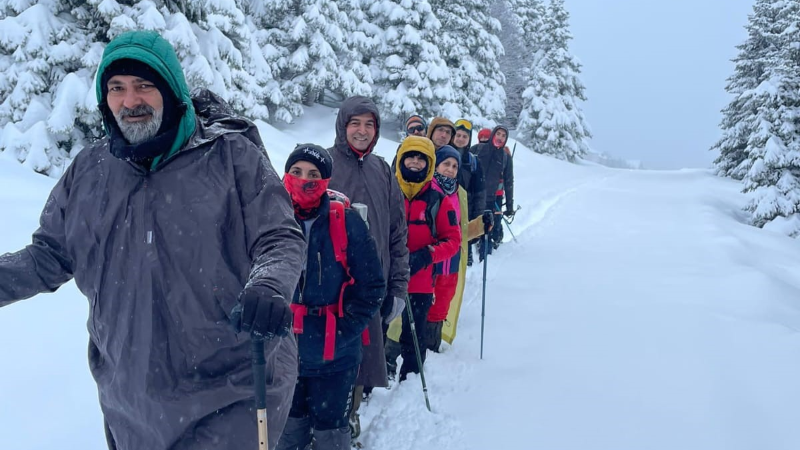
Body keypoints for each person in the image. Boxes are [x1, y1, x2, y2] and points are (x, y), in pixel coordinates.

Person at [0, 30, 305, 450]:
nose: (131, 101)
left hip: (232, 392)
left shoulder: (232, 158)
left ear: (171, 90)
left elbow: (279, 235)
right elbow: (50, 255)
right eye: (117, 88)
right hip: (130, 404)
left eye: (145, 86)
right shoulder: (89, 171)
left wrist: (270, 284)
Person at [276, 144, 386, 450]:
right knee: (288, 427)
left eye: (313, 174)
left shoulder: (347, 221)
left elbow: (372, 285)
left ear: (325, 181)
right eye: (296, 172)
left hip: (335, 355)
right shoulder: (271, 217)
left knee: (331, 431)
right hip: (285, 349)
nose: (304, 180)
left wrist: (344, 330)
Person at [327, 96, 410, 439]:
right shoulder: (324, 163)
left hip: (371, 290)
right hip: (328, 289)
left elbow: (397, 232)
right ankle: (320, 428)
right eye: (355, 123)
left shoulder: (382, 170)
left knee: (361, 359)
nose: (362, 131)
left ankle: (349, 419)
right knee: (326, 360)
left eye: (369, 124)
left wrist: (398, 287)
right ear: (343, 126)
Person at [393, 136, 461, 380]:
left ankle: (410, 378)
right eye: (410, 156)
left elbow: (453, 240)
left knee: (414, 333)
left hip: (420, 280)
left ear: (429, 164)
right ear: (401, 159)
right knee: (376, 332)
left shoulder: (438, 200)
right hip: (388, 277)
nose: (414, 162)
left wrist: (428, 255)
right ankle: (369, 383)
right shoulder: (389, 192)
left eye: (421, 159)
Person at [424, 145, 463, 352]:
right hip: (430, 260)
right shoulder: (428, 189)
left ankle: (432, 347)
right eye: (446, 164)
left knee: (441, 307)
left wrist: (481, 225)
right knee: (420, 306)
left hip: (452, 263)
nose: (450, 169)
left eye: (455, 166)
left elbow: (461, 231)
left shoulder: (459, 194)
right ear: (436, 166)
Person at [474, 126, 515, 257]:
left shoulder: (505, 157)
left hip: (493, 199)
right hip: (475, 197)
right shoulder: (477, 149)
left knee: (490, 229)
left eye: (504, 135)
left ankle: (486, 258)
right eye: (498, 134)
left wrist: (509, 205)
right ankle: (469, 259)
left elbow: (509, 181)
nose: (500, 137)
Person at [450, 119, 486, 266]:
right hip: (445, 210)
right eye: (458, 135)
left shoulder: (474, 163)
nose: (460, 139)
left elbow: (479, 193)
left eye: (465, 136)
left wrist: (477, 217)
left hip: (465, 212)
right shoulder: (442, 156)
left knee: (462, 249)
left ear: (469, 139)